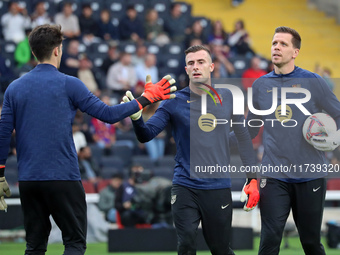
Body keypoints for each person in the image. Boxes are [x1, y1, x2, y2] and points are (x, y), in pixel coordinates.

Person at [0, 24, 176, 255]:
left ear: (33, 52)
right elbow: (109, 115)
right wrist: (145, 99)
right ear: (57, 50)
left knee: (34, 246)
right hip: (62, 176)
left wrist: (1, 172)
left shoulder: (14, 88)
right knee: (74, 243)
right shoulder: (69, 83)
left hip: (29, 180)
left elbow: (3, 133)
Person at [122, 45, 260, 254]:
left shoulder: (229, 97)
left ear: (211, 66)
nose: (196, 67)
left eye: (201, 62)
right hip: (185, 184)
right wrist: (137, 117)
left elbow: (242, 137)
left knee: (220, 249)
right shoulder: (172, 102)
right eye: (191, 63)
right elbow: (146, 135)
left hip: (217, 186)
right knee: (186, 244)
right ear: (186, 69)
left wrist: (252, 179)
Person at [236, 26, 340, 255]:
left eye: (283, 44)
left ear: (295, 52)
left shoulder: (314, 82)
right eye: (274, 43)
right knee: (269, 240)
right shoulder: (261, 85)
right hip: (274, 175)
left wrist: (332, 138)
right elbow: (251, 129)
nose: (276, 47)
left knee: (311, 243)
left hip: (310, 173)